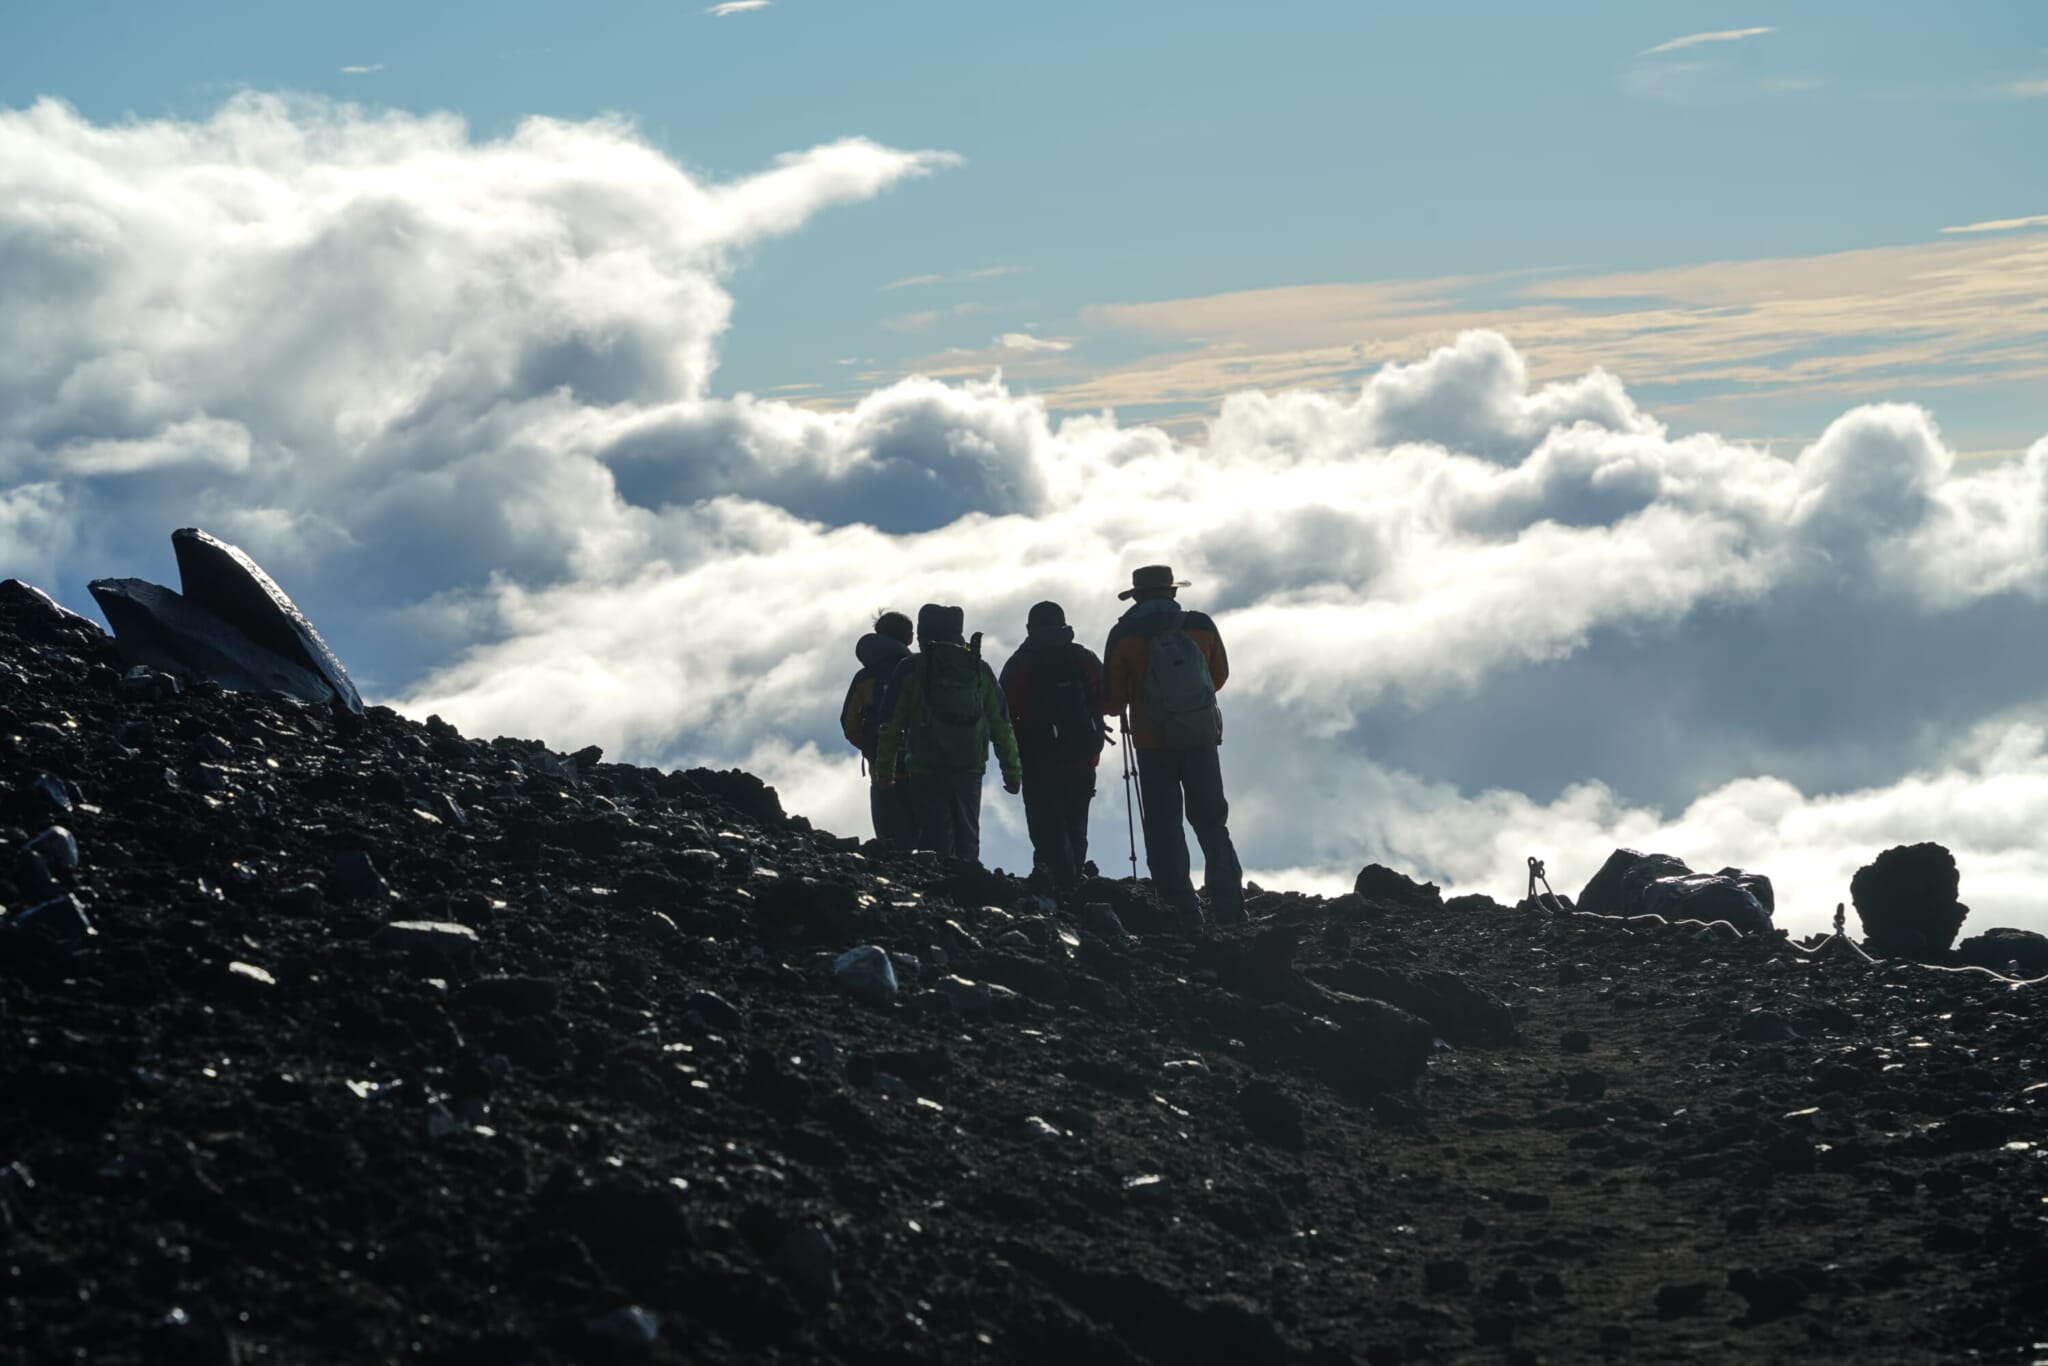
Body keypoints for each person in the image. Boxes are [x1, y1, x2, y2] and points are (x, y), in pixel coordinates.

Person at [1101, 565, 1244, 925]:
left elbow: (1112, 700)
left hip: (1153, 744)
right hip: (1200, 736)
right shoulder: (1201, 626)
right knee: (1212, 822)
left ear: (1136, 596)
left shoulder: (1123, 636)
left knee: (1164, 826)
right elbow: (1219, 676)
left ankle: (1182, 911)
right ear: (1173, 593)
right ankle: (1229, 909)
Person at [875, 603, 1022, 862]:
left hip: (925, 764)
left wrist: (884, 770)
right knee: (968, 837)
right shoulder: (978, 668)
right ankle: (970, 890)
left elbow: (890, 723)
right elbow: (1001, 724)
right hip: (969, 766)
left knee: (934, 839)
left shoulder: (910, 668)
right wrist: (1012, 771)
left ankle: (939, 893)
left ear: (921, 635)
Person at [999, 600, 1106, 893]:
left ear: (1029, 628)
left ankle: (1053, 889)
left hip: (1038, 762)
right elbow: (1107, 700)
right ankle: (1074, 885)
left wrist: (1011, 760)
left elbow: (1002, 713)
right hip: (1083, 758)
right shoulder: (1083, 658)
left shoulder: (1019, 664)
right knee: (1076, 825)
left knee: (1046, 828)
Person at [840, 610, 916, 847]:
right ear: (910, 638)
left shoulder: (865, 677)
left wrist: (871, 748)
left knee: (891, 843)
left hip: (882, 772)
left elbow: (849, 723)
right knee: (929, 846)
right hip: (922, 769)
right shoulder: (919, 672)